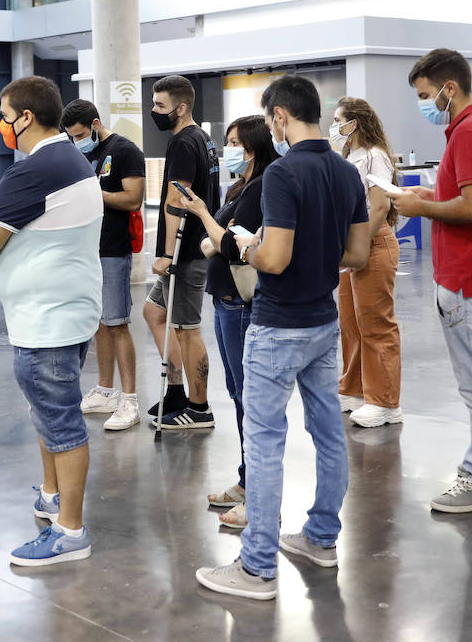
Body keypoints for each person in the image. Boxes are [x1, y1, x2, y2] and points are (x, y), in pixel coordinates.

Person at [195, 76, 370, 601]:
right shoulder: (345, 171)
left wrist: (245, 247)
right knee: (327, 434)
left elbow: (273, 258)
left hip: (276, 326)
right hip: (323, 321)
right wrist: (314, 252)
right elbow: (357, 255)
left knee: (265, 440)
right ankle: (321, 537)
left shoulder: (283, 173)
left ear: (279, 117)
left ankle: (257, 566)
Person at [0, 75, 103, 567]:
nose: (1, 123)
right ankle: (53, 494)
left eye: (4, 113)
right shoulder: (71, 159)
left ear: (26, 118)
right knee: (51, 412)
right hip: (69, 309)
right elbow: (34, 224)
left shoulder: (32, 171)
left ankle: (70, 531)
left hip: (46, 321)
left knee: (61, 422)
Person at [394, 48, 472, 513]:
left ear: (449, 88)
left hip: (470, 278)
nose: (423, 104)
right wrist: (430, 194)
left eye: (426, 95)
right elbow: (470, 196)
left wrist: (421, 208)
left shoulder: (470, 133)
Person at [174, 115, 275, 531]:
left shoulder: (260, 186)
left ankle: (259, 490)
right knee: (237, 393)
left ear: (251, 147)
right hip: (226, 300)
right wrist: (216, 235)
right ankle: (246, 480)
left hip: (240, 302)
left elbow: (232, 244)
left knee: (247, 397)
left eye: (234, 142)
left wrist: (201, 213)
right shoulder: (240, 186)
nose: (228, 149)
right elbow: (219, 237)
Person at [62, 99, 146, 431]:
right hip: (86, 249)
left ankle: (129, 400)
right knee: (98, 323)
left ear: (95, 124)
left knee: (117, 323)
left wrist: (94, 194)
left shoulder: (125, 150)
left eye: (81, 134)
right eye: (71, 136)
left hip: (113, 249)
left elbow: (132, 198)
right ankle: (105, 390)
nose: (76, 141)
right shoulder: (79, 152)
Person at [144, 75, 220, 429]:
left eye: (160, 105)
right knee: (153, 312)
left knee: (188, 328)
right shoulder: (201, 139)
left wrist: (167, 254)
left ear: (181, 107)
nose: (154, 111)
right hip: (190, 248)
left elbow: (179, 200)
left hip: (187, 253)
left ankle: (199, 407)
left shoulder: (184, 143)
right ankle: (175, 389)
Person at [331, 97, 405, 428]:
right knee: (350, 323)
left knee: (376, 325)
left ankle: (386, 401)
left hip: (373, 245)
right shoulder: (350, 156)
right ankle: (353, 389)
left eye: (339, 120)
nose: (334, 127)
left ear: (355, 122)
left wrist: (358, 246)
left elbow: (378, 208)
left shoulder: (376, 158)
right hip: (353, 248)